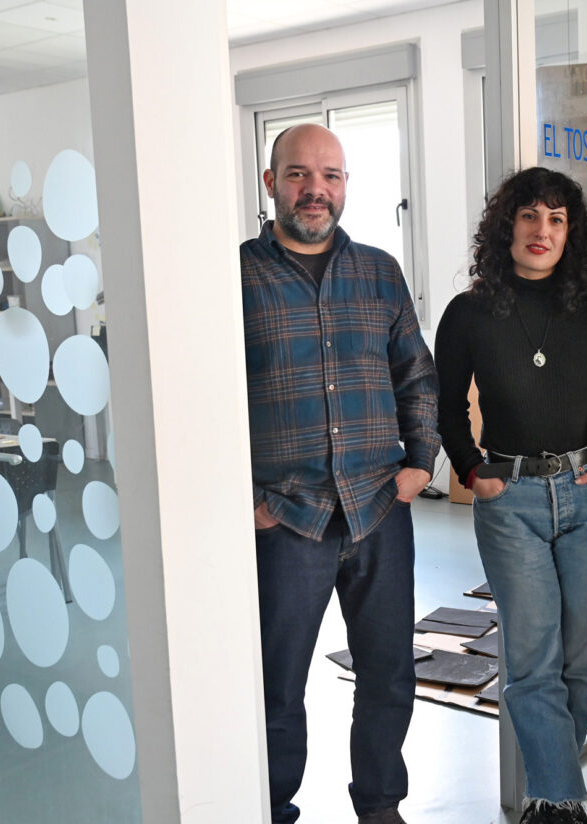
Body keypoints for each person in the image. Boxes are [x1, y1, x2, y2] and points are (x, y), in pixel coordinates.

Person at [241, 123, 439, 824]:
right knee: (277, 685)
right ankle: (271, 808)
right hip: (286, 516)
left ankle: (380, 806)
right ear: (271, 183)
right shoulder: (235, 276)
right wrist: (247, 499)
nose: (315, 189)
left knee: (389, 674)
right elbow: (202, 395)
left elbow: (415, 374)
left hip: (378, 505)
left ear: (346, 185)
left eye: (330, 175)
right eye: (298, 174)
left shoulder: (379, 271)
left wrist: (421, 463)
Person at [435, 166, 587, 824]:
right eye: (529, 215)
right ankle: (560, 803)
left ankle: (550, 799)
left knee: (581, 662)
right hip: (511, 504)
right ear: (507, 226)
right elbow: (446, 408)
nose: (542, 230)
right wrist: (472, 471)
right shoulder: (468, 313)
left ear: (571, 232)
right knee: (531, 662)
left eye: (556, 219)